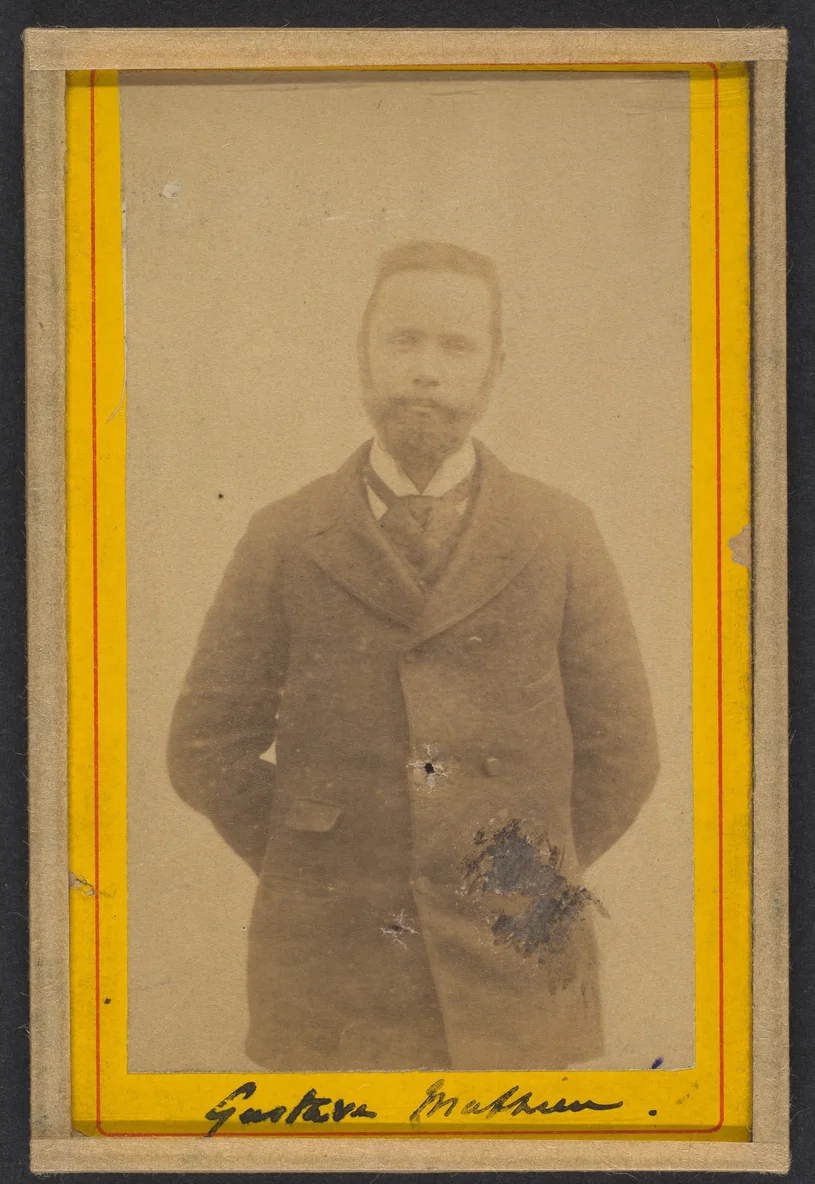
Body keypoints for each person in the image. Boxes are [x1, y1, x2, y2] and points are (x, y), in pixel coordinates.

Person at [167, 240, 659, 1071]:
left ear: (493, 369)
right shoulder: (284, 535)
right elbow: (204, 747)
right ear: (362, 353)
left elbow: (624, 752)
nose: (425, 371)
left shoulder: (560, 532)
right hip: (330, 968)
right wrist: (315, 863)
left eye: (456, 346)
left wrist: (522, 877)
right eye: (403, 341)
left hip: (514, 961)